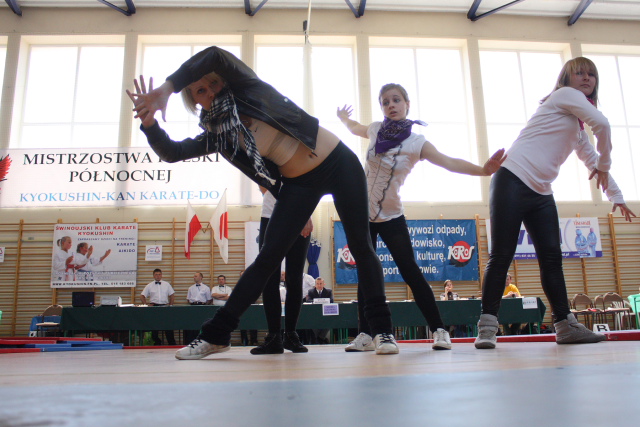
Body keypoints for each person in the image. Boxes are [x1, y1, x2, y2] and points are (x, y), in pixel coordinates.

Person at [128, 46, 397, 358]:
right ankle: (216, 334)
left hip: (339, 163)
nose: (210, 91)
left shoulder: (248, 88)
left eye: (213, 83)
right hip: (299, 183)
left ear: (223, 80)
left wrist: (166, 88)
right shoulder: (219, 135)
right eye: (200, 90)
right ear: (195, 102)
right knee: (267, 259)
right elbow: (173, 152)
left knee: (362, 246)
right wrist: (150, 125)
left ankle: (382, 330)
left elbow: (214, 55)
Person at [475, 57, 636, 349]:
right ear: (565, 79)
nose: (586, 78)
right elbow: (602, 124)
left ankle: (564, 325)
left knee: (552, 259)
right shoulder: (564, 95)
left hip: (541, 192)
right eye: (579, 73)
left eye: (591, 74)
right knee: (501, 255)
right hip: (512, 179)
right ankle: (487, 326)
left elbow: (593, 161)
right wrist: (605, 165)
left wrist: (616, 196)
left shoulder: (576, 129)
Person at [337, 84, 506, 352]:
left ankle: (439, 330)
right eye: (385, 102)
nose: (391, 105)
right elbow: (355, 127)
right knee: (367, 274)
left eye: (396, 100)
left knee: (411, 272)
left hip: (391, 216)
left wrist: (483, 171)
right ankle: (366, 334)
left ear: (407, 104)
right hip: (363, 215)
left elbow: (449, 162)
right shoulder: (375, 130)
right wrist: (344, 119)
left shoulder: (417, 143)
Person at [250, 189, 311, 355]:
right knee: (269, 277)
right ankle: (274, 337)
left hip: (300, 215)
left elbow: (312, 184)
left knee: (295, 277)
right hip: (270, 215)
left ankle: (291, 334)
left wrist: (307, 214)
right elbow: (263, 186)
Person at [140, 268, 176, 346]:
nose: (158, 276)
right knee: (154, 327)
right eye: (156, 274)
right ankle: (157, 343)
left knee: (168, 326)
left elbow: (172, 295)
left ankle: (172, 344)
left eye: (159, 274)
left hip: (165, 307)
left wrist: (171, 305)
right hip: (154, 307)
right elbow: (142, 296)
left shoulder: (166, 284)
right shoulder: (149, 285)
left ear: (161, 275)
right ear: (153, 276)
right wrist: (146, 305)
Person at [184, 272, 213, 344]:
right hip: (193, 306)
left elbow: (209, 299)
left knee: (201, 323)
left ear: (201, 277)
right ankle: (192, 340)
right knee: (193, 323)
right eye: (194, 276)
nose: (194, 277)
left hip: (202, 307)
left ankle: (202, 340)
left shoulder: (206, 288)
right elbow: (188, 299)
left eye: (196, 276)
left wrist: (204, 306)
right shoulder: (191, 288)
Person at [307, 277, 334, 344]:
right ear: (315, 284)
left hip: (325, 313)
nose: (319, 285)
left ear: (324, 284)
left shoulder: (329, 291)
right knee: (311, 323)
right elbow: (308, 300)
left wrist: (320, 301)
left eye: (320, 283)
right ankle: (321, 339)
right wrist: (319, 301)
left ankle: (320, 338)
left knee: (330, 322)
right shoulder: (311, 291)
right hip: (314, 313)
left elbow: (331, 300)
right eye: (317, 284)